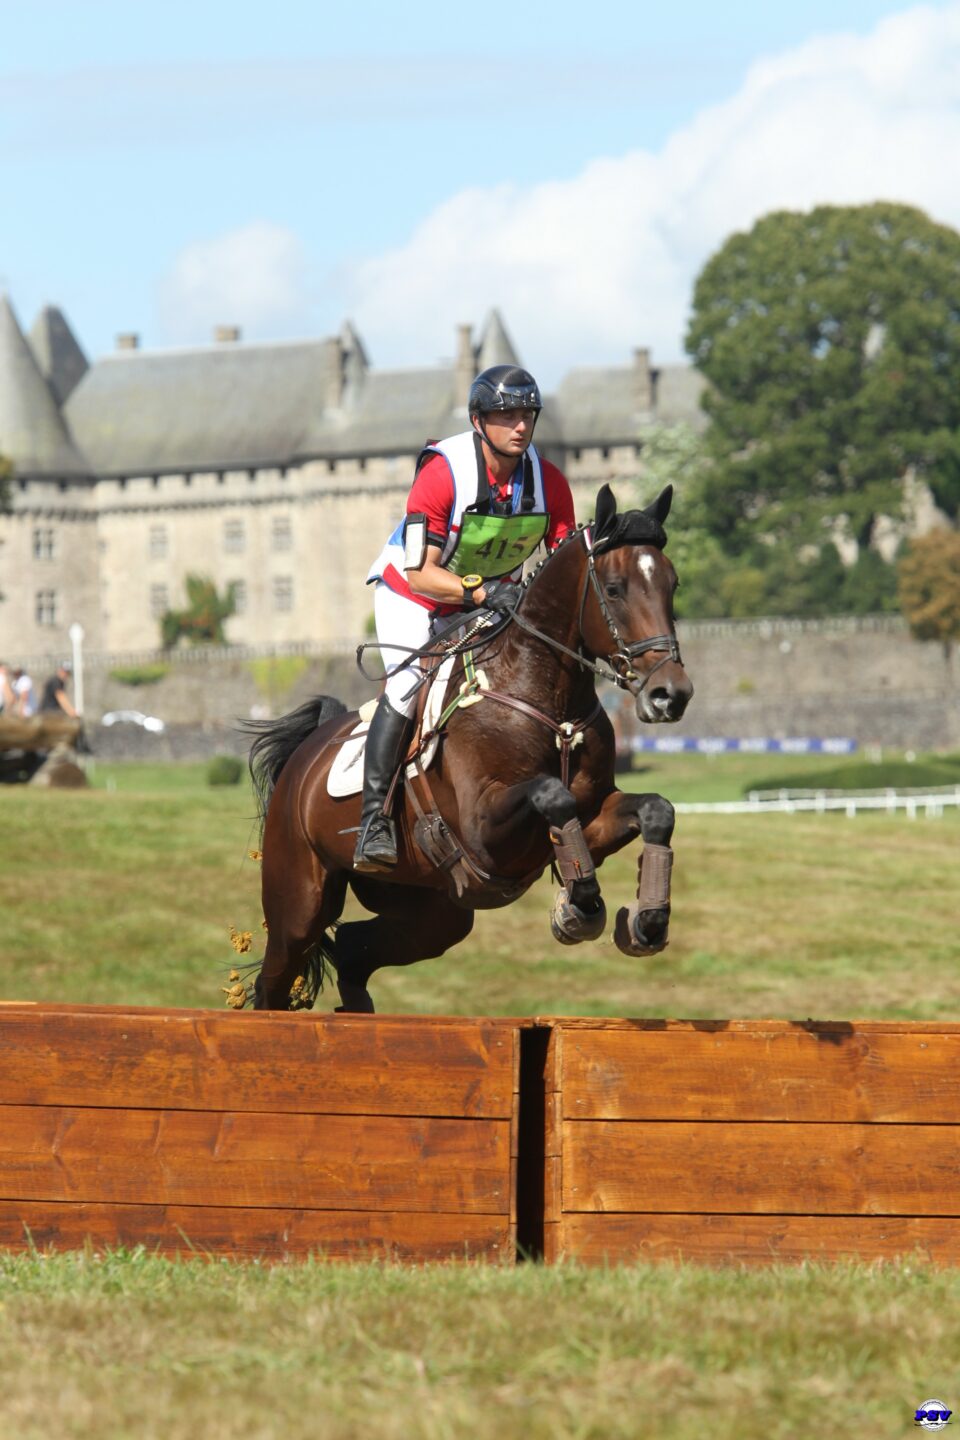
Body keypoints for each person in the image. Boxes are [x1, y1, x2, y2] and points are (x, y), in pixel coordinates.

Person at [354, 364, 577, 872]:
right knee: (409, 684)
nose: (520, 425)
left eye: (527, 414)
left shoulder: (550, 482)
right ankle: (373, 821)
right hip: (416, 594)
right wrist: (479, 592)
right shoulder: (442, 473)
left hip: (489, 599)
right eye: (507, 415)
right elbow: (420, 575)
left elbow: (563, 568)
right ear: (479, 421)